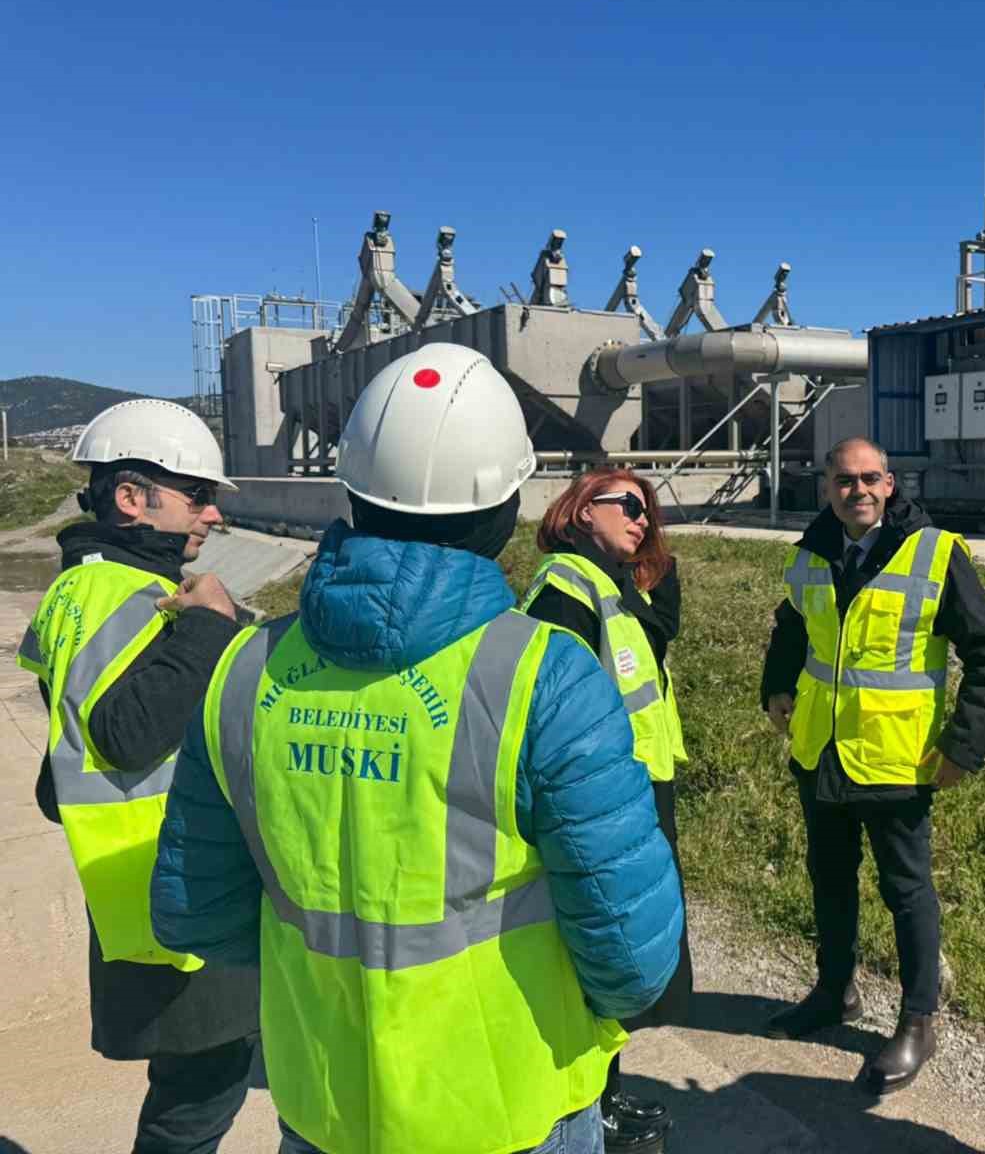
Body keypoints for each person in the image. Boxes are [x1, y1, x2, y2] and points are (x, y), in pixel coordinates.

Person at [150, 343, 684, 1154]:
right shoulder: (544, 677)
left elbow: (197, 913)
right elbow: (631, 962)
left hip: (327, 1105)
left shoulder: (244, 671)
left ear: (354, 494)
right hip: (512, 1107)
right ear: (505, 505)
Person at [16, 399, 264, 1154]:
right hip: (177, 891)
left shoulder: (81, 587)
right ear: (131, 499)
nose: (214, 515)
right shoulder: (116, 592)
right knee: (198, 1102)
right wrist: (211, 626)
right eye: (199, 495)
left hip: (151, 889)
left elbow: (61, 773)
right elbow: (124, 734)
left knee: (201, 1088)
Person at [759, 436, 985, 1094]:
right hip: (821, 750)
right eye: (845, 481)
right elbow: (792, 627)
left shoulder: (934, 553)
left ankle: (917, 1023)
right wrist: (776, 685)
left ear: (890, 484)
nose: (859, 491)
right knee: (830, 878)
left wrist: (964, 746)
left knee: (907, 893)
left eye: (871, 479)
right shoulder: (812, 552)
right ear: (827, 487)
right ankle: (834, 993)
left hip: (898, 761)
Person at [522, 468, 691, 1153]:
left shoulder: (611, 584)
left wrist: (651, 559)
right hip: (602, 793)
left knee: (618, 944)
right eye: (627, 504)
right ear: (580, 509)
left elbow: (658, 638)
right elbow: (548, 710)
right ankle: (593, 1104)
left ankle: (605, 1091)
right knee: (597, 945)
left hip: (633, 785)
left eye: (648, 510)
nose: (642, 518)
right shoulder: (565, 586)